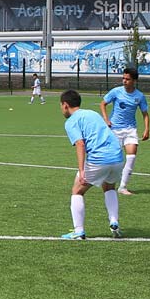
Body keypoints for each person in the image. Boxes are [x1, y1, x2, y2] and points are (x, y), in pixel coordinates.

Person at [58, 89, 124, 240]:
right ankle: (114, 222)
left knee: (77, 191)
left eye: (61, 106)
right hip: (118, 156)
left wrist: (82, 170)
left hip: (99, 159)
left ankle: (78, 230)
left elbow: (80, 144)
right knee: (109, 187)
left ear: (66, 105)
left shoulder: (71, 121)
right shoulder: (92, 113)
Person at [100, 68, 150, 195]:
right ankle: (105, 179)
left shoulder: (139, 96)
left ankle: (122, 186)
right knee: (113, 159)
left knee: (131, 156)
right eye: (123, 78)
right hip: (115, 129)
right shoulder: (116, 91)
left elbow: (145, 114)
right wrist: (106, 119)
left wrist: (147, 129)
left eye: (127, 79)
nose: (124, 81)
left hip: (130, 130)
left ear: (134, 81)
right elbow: (103, 104)